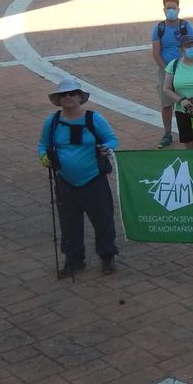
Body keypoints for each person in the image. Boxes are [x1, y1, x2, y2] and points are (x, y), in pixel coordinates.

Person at [37, 78, 119, 276]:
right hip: (64, 181)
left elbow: (112, 139)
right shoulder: (52, 122)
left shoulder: (94, 118)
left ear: (80, 97)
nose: (68, 97)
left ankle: (107, 256)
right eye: (63, 95)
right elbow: (43, 145)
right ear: (58, 99)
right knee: (69, 223)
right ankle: (73, 259)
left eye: (72, 93)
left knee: (103, 221)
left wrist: (106, 148)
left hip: (94, 179)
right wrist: (43, 157)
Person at [149, 0, 193, 147]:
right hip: (166, 70)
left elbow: (192, 48)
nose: (171, 10)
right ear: (164, 10)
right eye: (168, 8)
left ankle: (191, 132)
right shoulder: (159, 28)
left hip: (185, 69)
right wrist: (167, 70)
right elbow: (156, 52)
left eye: (173, 8)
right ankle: (167, 133)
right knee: (166, 104)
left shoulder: (185, 26)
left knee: (189, 101)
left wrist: (186, 67)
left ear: (178, 9)